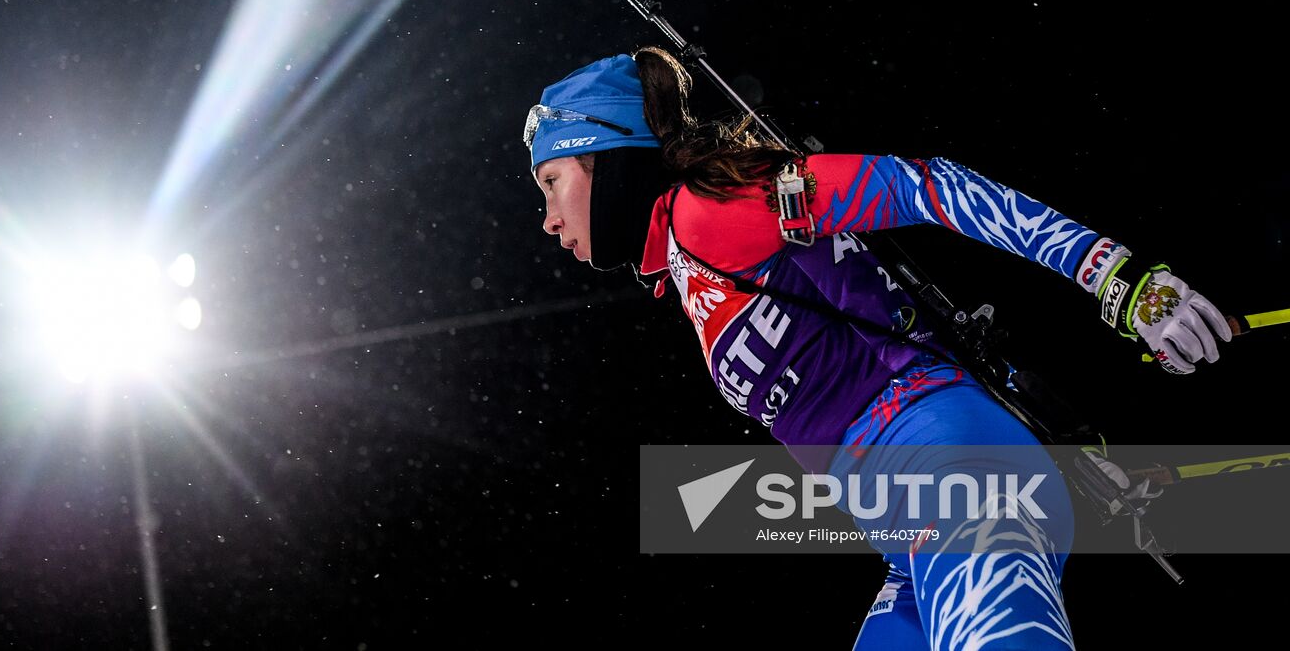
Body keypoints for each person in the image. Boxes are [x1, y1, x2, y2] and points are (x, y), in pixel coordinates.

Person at [523, 47, 1233, 649]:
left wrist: (1118, 276)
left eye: (553, 183)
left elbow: (929, 185)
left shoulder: (711, 212)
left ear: (604, 155)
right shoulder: (684, 258)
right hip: (911, 537)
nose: (549, 219)